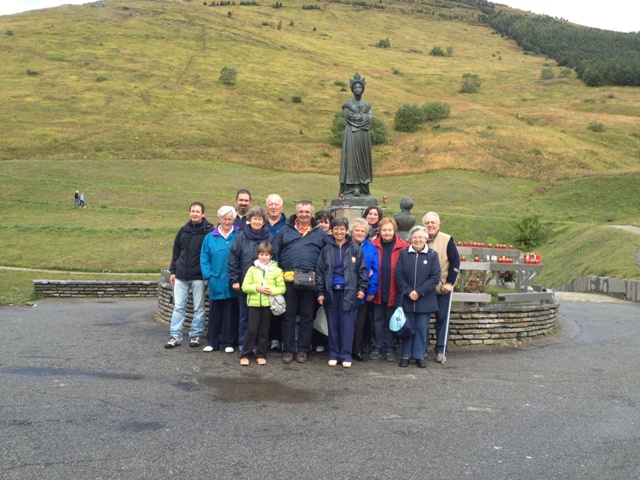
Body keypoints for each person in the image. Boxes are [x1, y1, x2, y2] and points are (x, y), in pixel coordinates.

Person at [273, 200, 328, 363]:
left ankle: (303, 350)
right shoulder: (284, 230)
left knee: (307, 317)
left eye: (307, 212)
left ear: (312, 213)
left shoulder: (320, 233)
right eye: (301, 211)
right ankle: (288, 350)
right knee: (288, 316)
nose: (304, 214)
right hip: (288, 279)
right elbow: (275, 254)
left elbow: (325, 258)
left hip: (310, 280)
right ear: (297, 213)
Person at [316, 218, 368, 368]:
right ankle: (333, 354)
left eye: (342, 229)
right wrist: (320, 291)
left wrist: (361, 289)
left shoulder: (355, 249)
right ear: (331, 230)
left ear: (346, 230)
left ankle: (346, 355)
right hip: (330, 292)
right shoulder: (326, 249)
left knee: (347, 326)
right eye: (336, 229)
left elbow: (362, 271)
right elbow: (320, 272)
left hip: (349, 293)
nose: (339, 232)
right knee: (332, 324)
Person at [165, 202, 214, 349]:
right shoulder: (183, 230)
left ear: (203, 214)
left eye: (198, 211)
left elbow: (209, 254)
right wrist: (173, 271)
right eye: (193, 211)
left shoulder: (209, 231)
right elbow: (176, 251)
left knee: (199, 308)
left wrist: (207, 275)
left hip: (198, 276)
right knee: (178, 307)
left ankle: (195, 335)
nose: (195, 214)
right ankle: (175, 336)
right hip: (181, 275)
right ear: (189, 212)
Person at [394, 226, 441, 368]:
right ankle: (406, 355)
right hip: (407, 298)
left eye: (420, 237)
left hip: (424, 299)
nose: (417, 240)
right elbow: (398, 274)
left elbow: (435, 278)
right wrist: (409, 291)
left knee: (421, 328)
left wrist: (419, 292)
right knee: (407, 328)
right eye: (414, 237)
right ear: (410, 239)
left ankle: (419, 356)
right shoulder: (404, 253)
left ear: (426, 239)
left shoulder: (432, 255)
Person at [229, 206, 274, 349]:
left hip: (264, 285)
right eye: (254, 218)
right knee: (244, 317)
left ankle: (259, 346)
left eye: (260, 219)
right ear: (249, 220)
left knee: (262, 320)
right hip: (245, 284)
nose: (257, 221)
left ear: (264, 221)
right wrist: (235, 279)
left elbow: (274, 259)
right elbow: (233, 258)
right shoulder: (241, 236)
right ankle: (244, 345)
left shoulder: (269, 237)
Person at [200, 206, 240, 353]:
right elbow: (204, 258)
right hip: (216, 280)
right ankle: (212, 342)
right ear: (219, 219)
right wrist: (208, 275)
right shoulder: (210, 237)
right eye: (224, 219)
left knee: (231, 313)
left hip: (232, 280)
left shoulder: (239, 235)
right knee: (215, 313)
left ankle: (228, 342)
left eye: (230, 219)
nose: (227, 222)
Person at [423, 211, 461, 363]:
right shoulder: (419, 238)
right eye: (427, 223)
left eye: (433, 222)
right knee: (422, 320)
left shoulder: (447, 239)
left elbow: (455, 262)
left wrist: (450, 283)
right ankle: (421, 349)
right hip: (424, 289)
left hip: (442, 287)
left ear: (438, 225)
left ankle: (441, 350)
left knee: (442, 318)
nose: (430, 225)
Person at [240, 242, 286, 366]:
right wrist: (257, 288)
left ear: (271, 256)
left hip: (268, 304)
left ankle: (261, 354)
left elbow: (282, 288)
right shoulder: (252, 269)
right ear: (257, 255)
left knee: (264, 331)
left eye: (266, 255)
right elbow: (245, 286)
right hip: (253, 304)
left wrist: (271, 291)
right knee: (251, 330)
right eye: (261, 254)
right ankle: (245, 354)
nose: (264, 257)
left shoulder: (277, 271)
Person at [370, 217, 408, 361]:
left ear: (394, 231)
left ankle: (391, 347)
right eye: (384, 230)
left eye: (390, 230)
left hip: (395, 289)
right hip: (378, 288)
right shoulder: (373, 245)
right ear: (379, 231)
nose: (387, 233)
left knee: (392, 320)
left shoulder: (403, 246)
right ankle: (377, 346)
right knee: (378, 320)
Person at [349, 217, 379, 361]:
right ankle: (345, 349)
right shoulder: (345, 246)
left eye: (363, 231)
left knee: (359, 323)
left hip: (363, 291)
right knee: (346, 322)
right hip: (346, 290)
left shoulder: (371, 248)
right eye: (357, 230)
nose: (360, 233)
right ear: (351, 232)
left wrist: (371, 291)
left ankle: (356, 350)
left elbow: (375, 270)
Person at [339, 72, 373, 197]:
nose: (358, 89)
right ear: (352, 89)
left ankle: (363, 186)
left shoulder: (366, 105)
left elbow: (369, 119)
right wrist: (362, 117)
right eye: (355, 87)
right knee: (352, 159)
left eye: (359, 87)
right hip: (352, 135)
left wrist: (360, 117)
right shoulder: (348, 104)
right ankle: (352, 186)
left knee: (363, 160)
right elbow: (350, 117)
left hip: (364, 135)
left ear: (363, 89)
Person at [265, 193, 287, 350]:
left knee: (279, 304)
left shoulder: (287, 225)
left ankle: (276, 338)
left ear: (282, 207)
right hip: (262, 270)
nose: (273, 207)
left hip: (280, 271)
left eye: (276, 204)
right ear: (267, 207)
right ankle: (264, 338)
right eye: (270, 204)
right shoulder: (260, 223)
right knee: (264, 306)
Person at [312, 210, 334, 352]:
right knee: (316, 311)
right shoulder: (313, 236)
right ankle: (317, 341)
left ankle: (329, 341)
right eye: (320, 221)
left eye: (326, 222)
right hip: (314, 277)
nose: (323, 225)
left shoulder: (334, 238)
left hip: (330, 279)